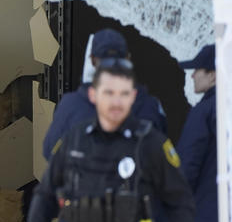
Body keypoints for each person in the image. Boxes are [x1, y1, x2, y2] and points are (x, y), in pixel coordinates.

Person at [25, 60, 194, 222]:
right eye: (109, 93)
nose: (116, 102)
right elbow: (45, 194)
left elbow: (182, 203)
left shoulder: (149, 144)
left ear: (133, 96)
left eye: (124, 94)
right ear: (93, 95)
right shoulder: (75, 139)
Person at [42, 28, 168, 160]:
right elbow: (161, 153)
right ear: (128, 58)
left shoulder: (70, 105)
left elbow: (50, 151)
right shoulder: (151, 105)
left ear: (92, 60)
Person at [177, 44, 220, 222]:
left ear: (214, 75)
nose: (192, 77)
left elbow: (186, 168)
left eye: (197, 71)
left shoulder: (203, 112)